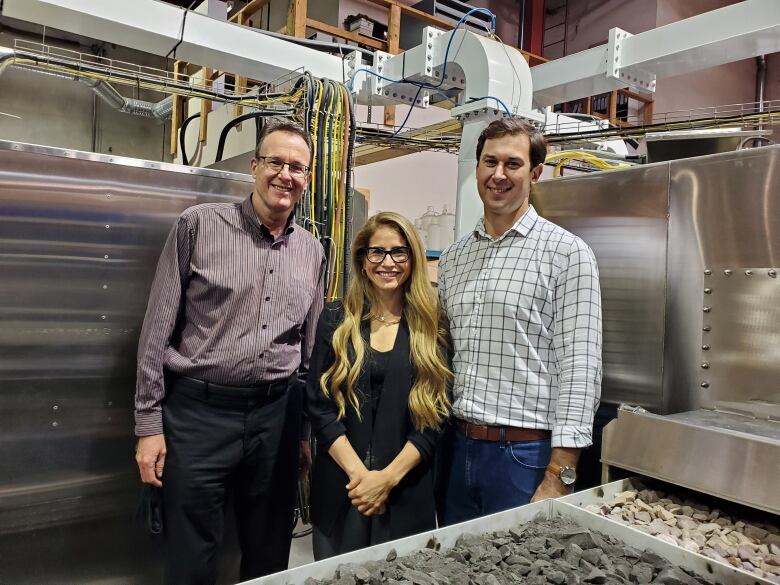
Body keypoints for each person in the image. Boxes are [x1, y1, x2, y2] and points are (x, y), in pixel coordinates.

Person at [133, 122, 325, 585]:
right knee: (191, 553)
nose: (285, 175)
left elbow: (308, 350)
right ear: (254, 167)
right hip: (198, 415)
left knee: (269, 551)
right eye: (275, 162)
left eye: (297, 167)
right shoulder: (198, 226)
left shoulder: (313, 252)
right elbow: (155, 332)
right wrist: (147, 426)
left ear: (307, 178)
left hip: (278, 417)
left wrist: (301, 432)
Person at [437, 118, 602, 525]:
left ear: (534, 172)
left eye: (512, 164)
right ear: (476, 168)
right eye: (489, 162)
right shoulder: (455, 258)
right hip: (456, 449)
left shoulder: (567, 254)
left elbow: (580, 368)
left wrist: (561, 473)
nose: (498, 174)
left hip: (525, 457)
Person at [305, 212, 450, 560]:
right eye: (377, 253)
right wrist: (363, 479)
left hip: (404, 490)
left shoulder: (432, 324)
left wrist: (385, 479)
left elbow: (435, 417)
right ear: (362, 259)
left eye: (399, 252)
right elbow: (319, 407)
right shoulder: (336, 319)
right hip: (343, 488)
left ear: (413, 259)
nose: (388, 263)